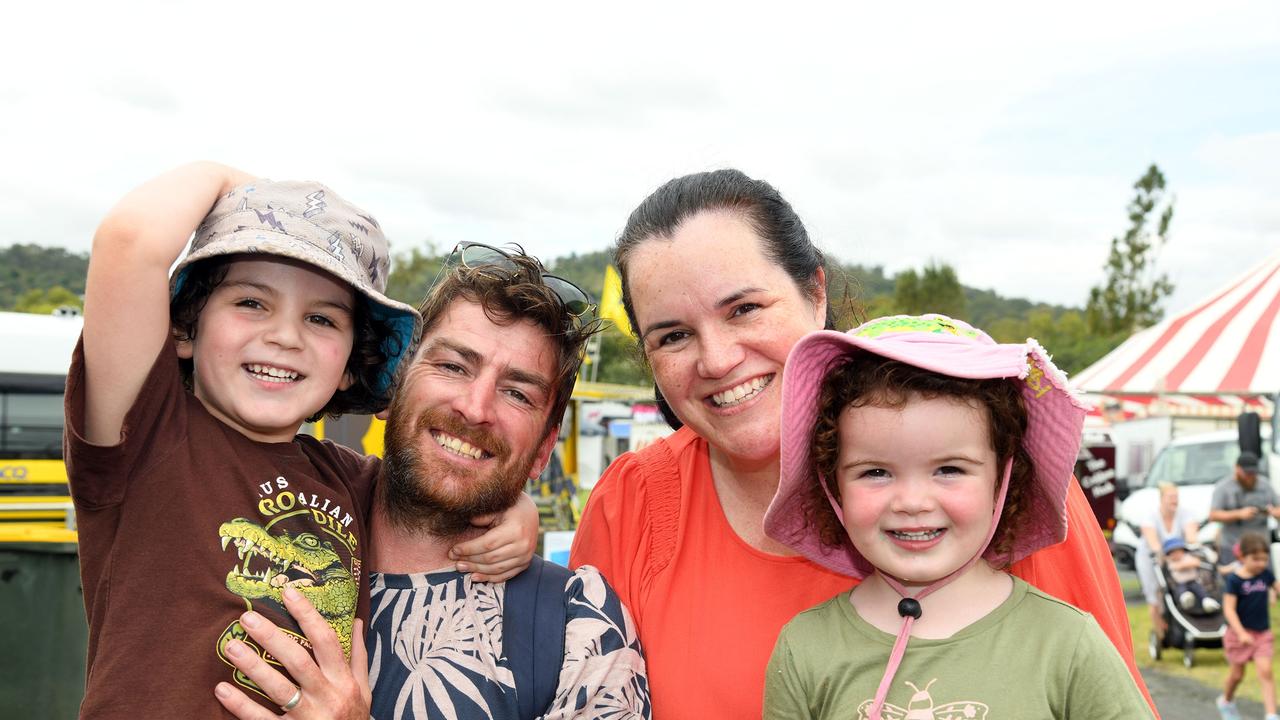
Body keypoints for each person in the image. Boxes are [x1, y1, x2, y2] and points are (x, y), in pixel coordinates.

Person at [569, 168, 1156, 718]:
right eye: (673, 335)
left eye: (745, 309)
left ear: (815, 292)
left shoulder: (1007, 490)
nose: (717, 359)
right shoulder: (633, 504)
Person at [68, 164, 535, 719]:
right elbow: (130, 242)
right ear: (186, 328)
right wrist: (230, 180)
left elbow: (443, 487)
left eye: (321, 318)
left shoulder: (348, 479)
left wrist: (515, 509)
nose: (285, 336)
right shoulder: (146, 436)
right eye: (250, 302)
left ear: (347, 366)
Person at [214, 244, 651, 720]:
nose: (476, 407)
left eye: (517, 393)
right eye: (452, 366)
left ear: (543, 451)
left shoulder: (577, 629)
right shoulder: (257, 497)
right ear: (391, 387)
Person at [760, 314, 1152, 718]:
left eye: (949, 469)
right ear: (833, 485)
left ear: (1002, 480)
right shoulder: (804, 649)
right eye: (875, 472)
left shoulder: (1067, 645)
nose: (912, 502)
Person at [1218, 531, 1280, 720]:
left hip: (1262, 634)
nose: (1261, 563)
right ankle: (1226, 701)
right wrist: (1241, 633)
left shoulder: (1265, 575)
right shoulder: (1234, 580)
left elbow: (1277, 588)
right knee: (1237, 675)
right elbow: (1229, 610)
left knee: (1266, 671)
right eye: (1256, 559)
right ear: (1242, 557)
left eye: (1264, 559)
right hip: (1239, 635)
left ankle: (1271, 714)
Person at [1139, 482, 1201, 633]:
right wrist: (1166, 558)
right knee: (1154, 594)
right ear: (1162, 499)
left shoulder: (1186, 513)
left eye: (1176, 497)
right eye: (1171, 497)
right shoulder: (1150, 516)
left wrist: (1194, 547)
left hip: (1177, 558)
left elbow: (1191, 535)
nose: (1175, 500)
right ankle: (1159, 630)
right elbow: (1153, 543)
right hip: (1151, 559)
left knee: (1179, 587)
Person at [1210, 451, 1277, 568]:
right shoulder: (1223, 487)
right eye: (1246, 473)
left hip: (1260, 547)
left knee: (1263, 583)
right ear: (1237, 469)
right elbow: (1213, 515)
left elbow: (1278, 508)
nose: (1250, 477)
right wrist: (1239, 514)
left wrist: (1272, 512)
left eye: (1253, 473)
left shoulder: (1265, 484)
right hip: (1233, 546)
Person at [1161, 537, 1220, 614]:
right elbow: (1177, 567)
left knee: (1200, 589)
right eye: (1173, 552)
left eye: (1178, 551)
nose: (1176, 554)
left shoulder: (1188, 557)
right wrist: (1186, 565)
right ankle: (1185, 599)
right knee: (1180, 590)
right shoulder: (1170, 563)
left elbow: (1196, 563)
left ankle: (1207, 600)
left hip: (1193, 581)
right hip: (1181, 583)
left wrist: (1188, 564)